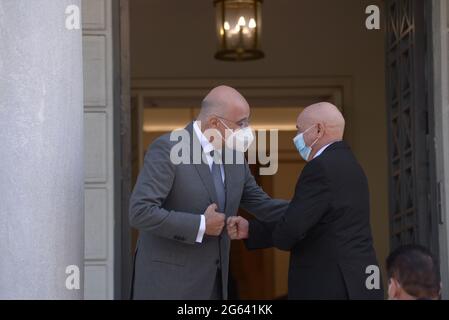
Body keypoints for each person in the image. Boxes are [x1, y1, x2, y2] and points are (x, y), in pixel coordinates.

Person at [129, 85, 288, 299]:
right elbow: (140, 211)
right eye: (241, 123)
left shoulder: (234, 158)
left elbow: (262, 204)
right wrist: (202, 225)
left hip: (214, 286)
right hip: (169, 287)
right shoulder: (168, 148)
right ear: (214, 123)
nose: (247, 129)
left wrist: (314, 209)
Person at [228, 102, 384, 299]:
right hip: (356, 282)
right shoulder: (352, 165)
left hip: (329, 285)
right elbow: (317, 221)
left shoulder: (320, 167)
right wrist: (252, 230)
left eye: (299, 131)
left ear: (318, 129)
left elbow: (292, 229)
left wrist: (270, 232)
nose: (296, 138)